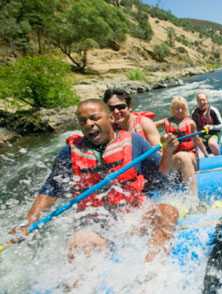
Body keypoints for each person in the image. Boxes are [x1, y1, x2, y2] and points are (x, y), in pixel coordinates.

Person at [11, 99, 179, 263]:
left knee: (168, 212)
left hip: (133, 216)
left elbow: (160, 174)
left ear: (111, 118)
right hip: (95, 223)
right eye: (83, 121)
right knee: (81, 243)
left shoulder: (134, 141)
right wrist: (28, 222)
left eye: (94, 118)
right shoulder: (69, 152)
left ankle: (152, 270)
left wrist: (168, 152)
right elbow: (51, 190)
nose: (89, 124)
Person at [156, 96, 206, 198]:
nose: (179, 111)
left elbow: (197, 140)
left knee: (184, 156)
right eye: (176, 108)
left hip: (190, 155)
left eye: (182, 108)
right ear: (172, 109)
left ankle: (193, 198)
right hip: (173, 157)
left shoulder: (190, 123)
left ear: (185, 109)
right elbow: (151, 126)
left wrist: (205, 154)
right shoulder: (166, 121)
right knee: (167, 140)